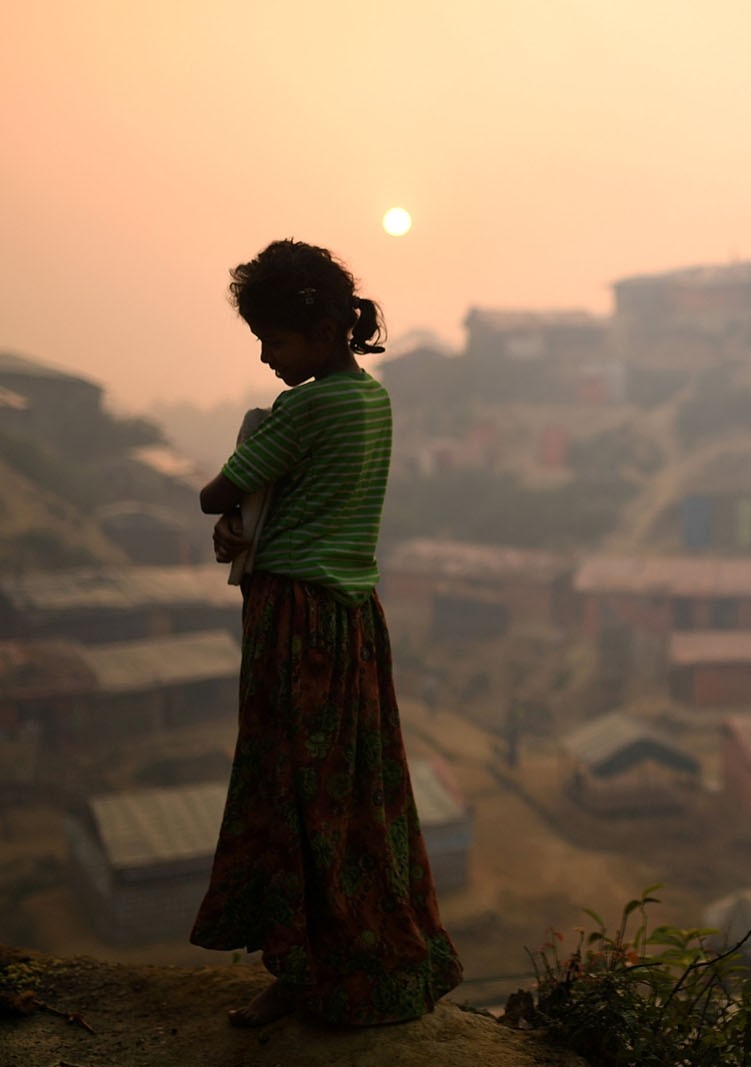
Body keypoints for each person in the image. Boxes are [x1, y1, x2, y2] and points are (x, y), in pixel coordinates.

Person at [191, 239, 463, 1027]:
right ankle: (376, 961)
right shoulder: (373, 401)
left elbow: (218, 494)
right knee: (357, 791)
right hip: (353, 621)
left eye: (273, 340)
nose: (269, 358)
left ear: (317, 331)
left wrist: (243, 491)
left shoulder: (303, 407)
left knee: (291, 794)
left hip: (291, 619)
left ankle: (303, 971)